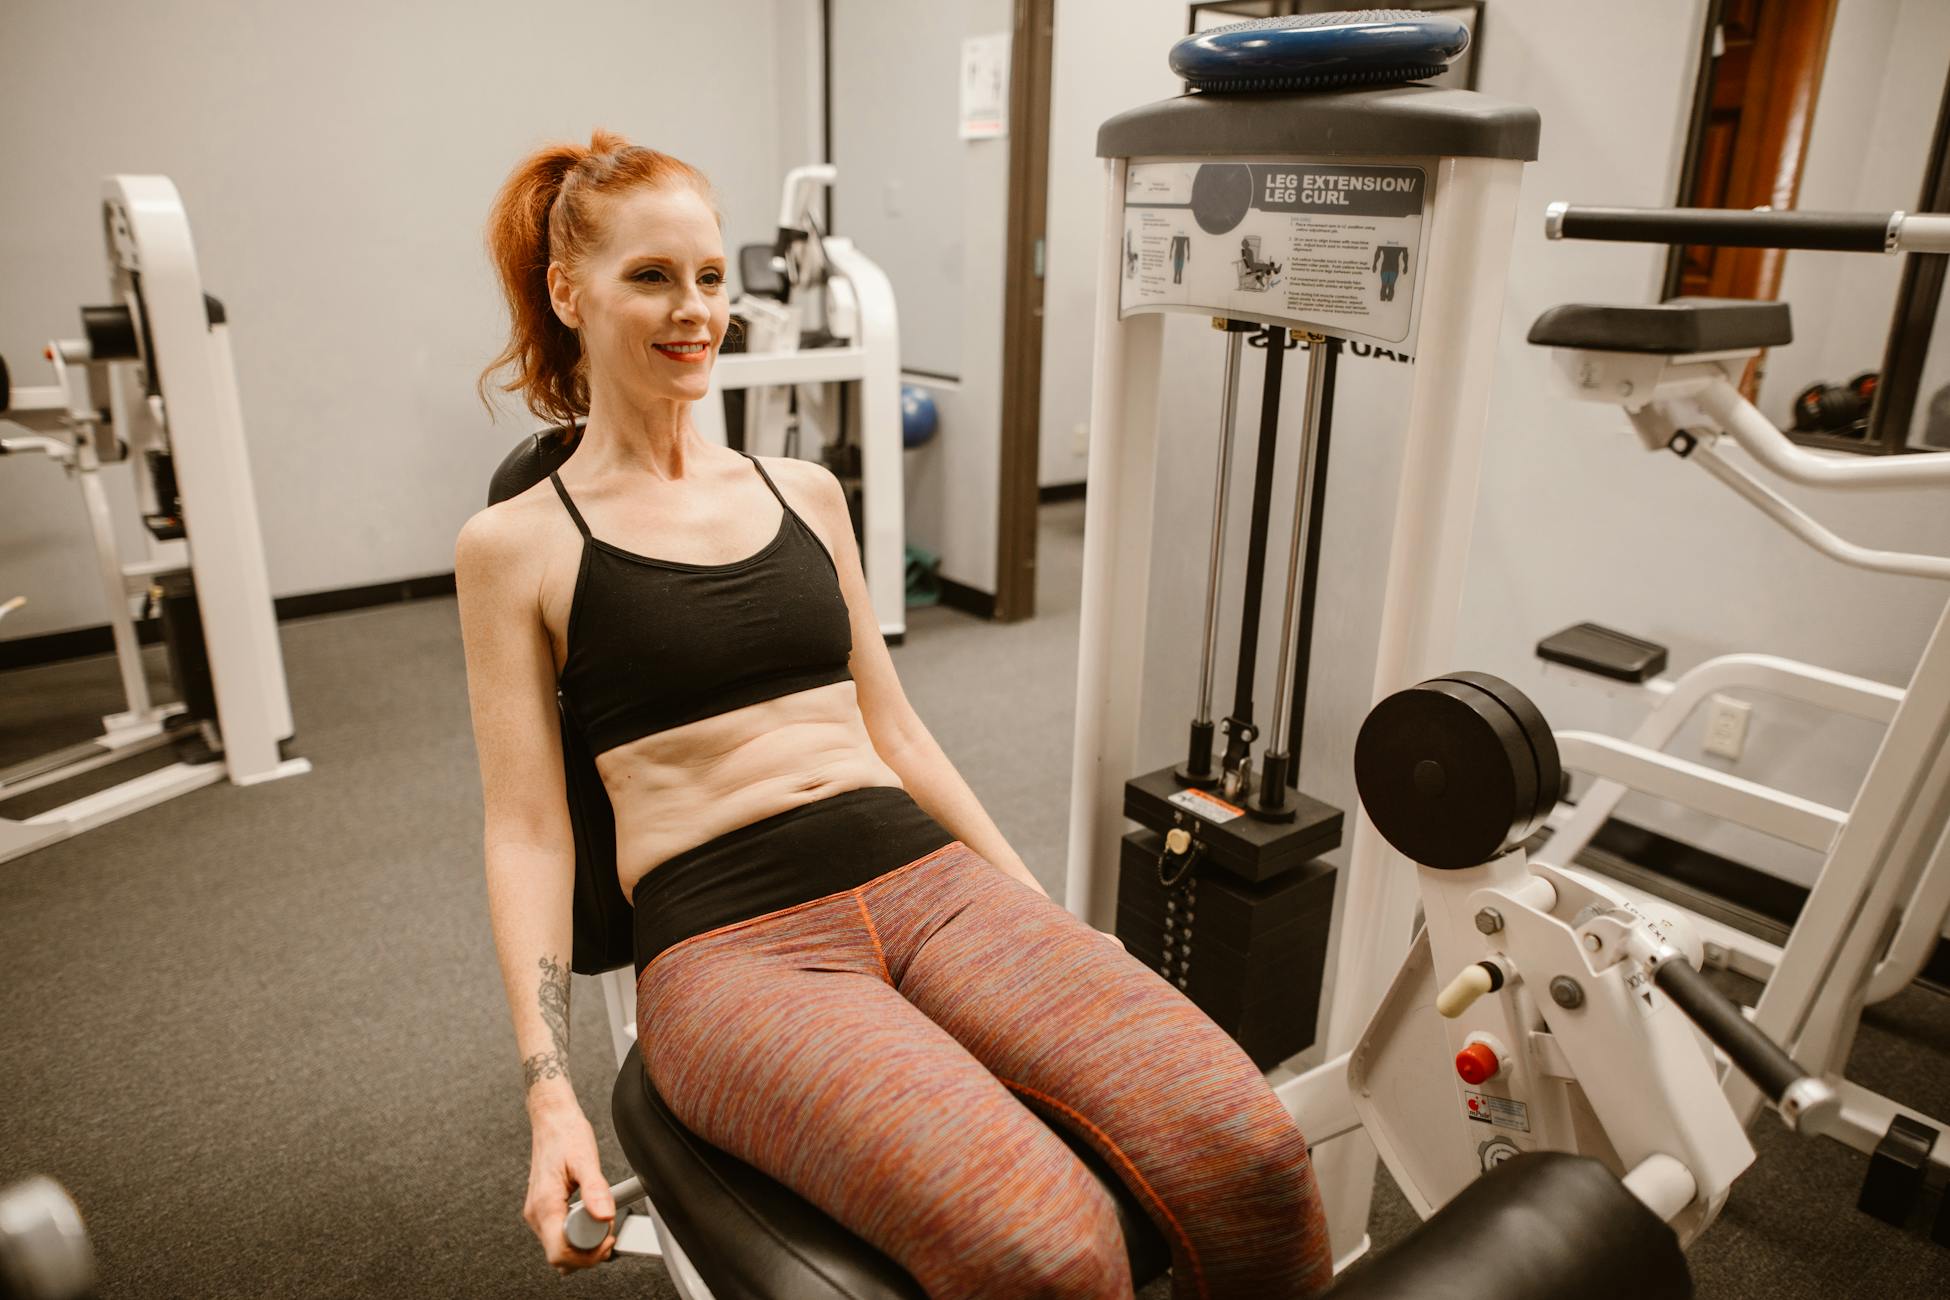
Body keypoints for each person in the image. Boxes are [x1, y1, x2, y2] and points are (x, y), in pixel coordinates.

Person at [455, 130, 1332, 1299]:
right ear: (570, 292)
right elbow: (527, 832)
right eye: (652, 276)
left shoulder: (806, 494)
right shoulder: (514, 545)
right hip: (734, 945)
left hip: (931, 886)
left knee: (1253, 1153)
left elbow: (899, 731)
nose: (695, 309)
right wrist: (549, 1093)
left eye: (710, 275)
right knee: (1048, 1249)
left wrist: (1043, 913)